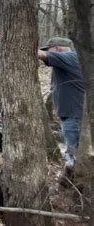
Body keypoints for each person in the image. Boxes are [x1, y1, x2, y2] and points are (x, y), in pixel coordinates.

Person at [37, 37, 85, 171]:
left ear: (57, 49)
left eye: (50, 49)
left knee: (73, 157)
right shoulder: (69, 61)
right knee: (72, 154)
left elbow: (40, 54)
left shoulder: (68, 57)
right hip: (72, 115)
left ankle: (72, 187)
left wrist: (10, 41)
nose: (49, 52)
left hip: (74, 116)